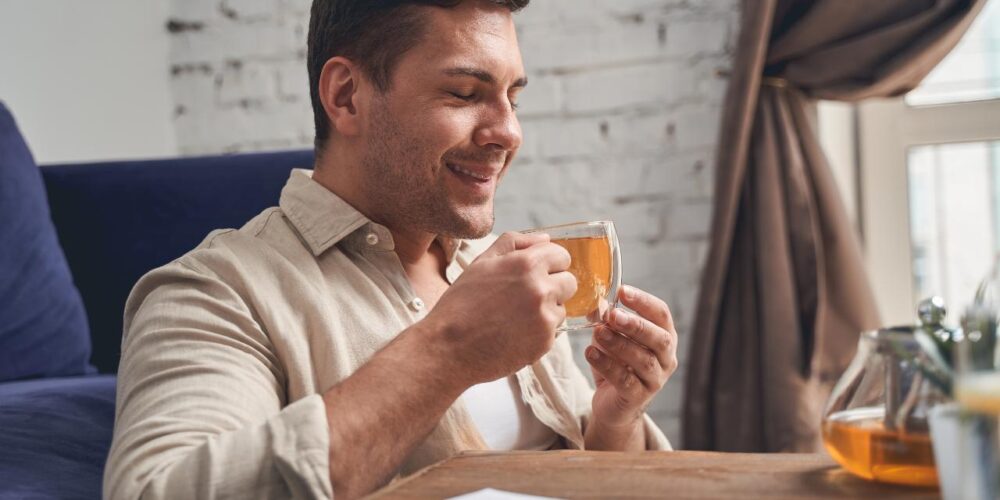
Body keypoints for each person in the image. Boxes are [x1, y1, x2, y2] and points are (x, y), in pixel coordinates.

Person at [103, 0, 679, 498]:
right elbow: (159, 490)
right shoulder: (216, 292)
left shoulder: (500, 280)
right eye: (463, 93)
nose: (508, 132)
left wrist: (615, 423)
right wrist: (447, 351)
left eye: (513, 98)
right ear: (347, 96)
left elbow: (592, 475)